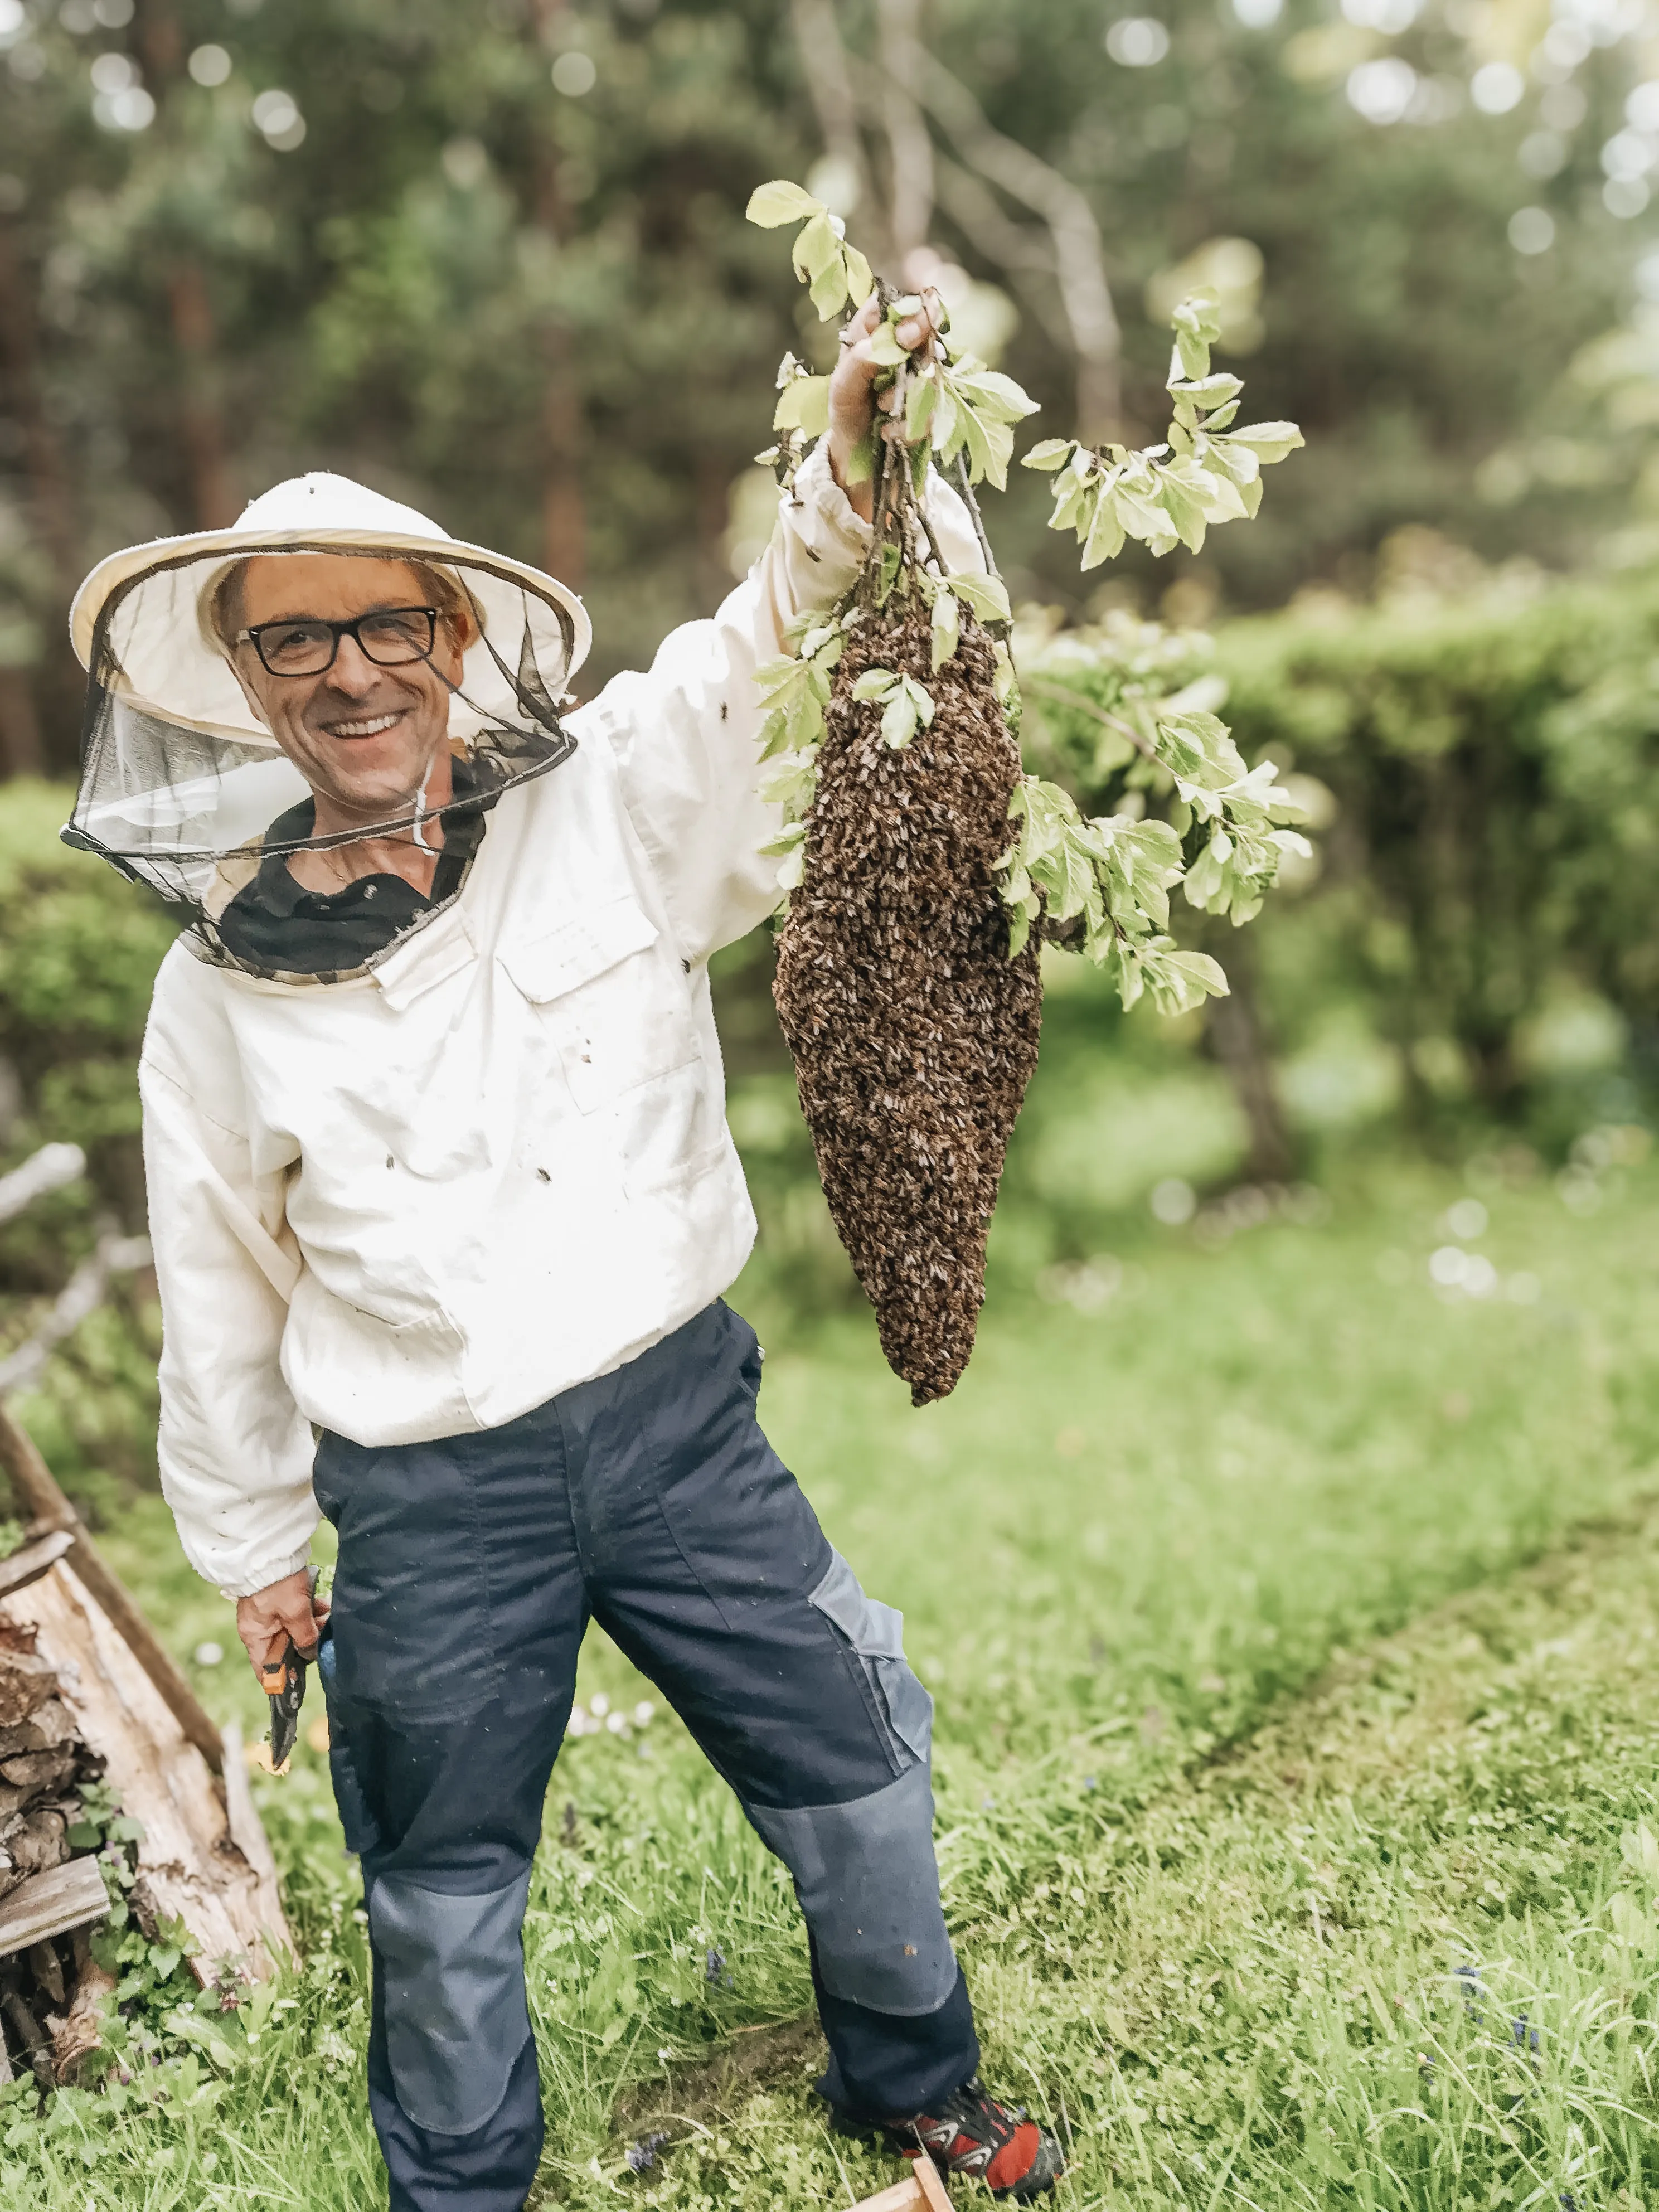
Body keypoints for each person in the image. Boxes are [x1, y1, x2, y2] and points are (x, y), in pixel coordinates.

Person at [66, 295, 1065, 2212]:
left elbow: (768, 632)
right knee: (438, 1884)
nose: (349, 673)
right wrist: (257, 1552)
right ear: (248, 680)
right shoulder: (212, 996)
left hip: (680, 1429)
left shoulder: (612, 797)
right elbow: (217, 1286)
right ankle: (462, 2195)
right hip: (429, 1498)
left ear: (455, 637)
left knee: (856, 1754)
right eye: (296, 640)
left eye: (385, 626)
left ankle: (918, 2085)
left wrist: (857, 452)